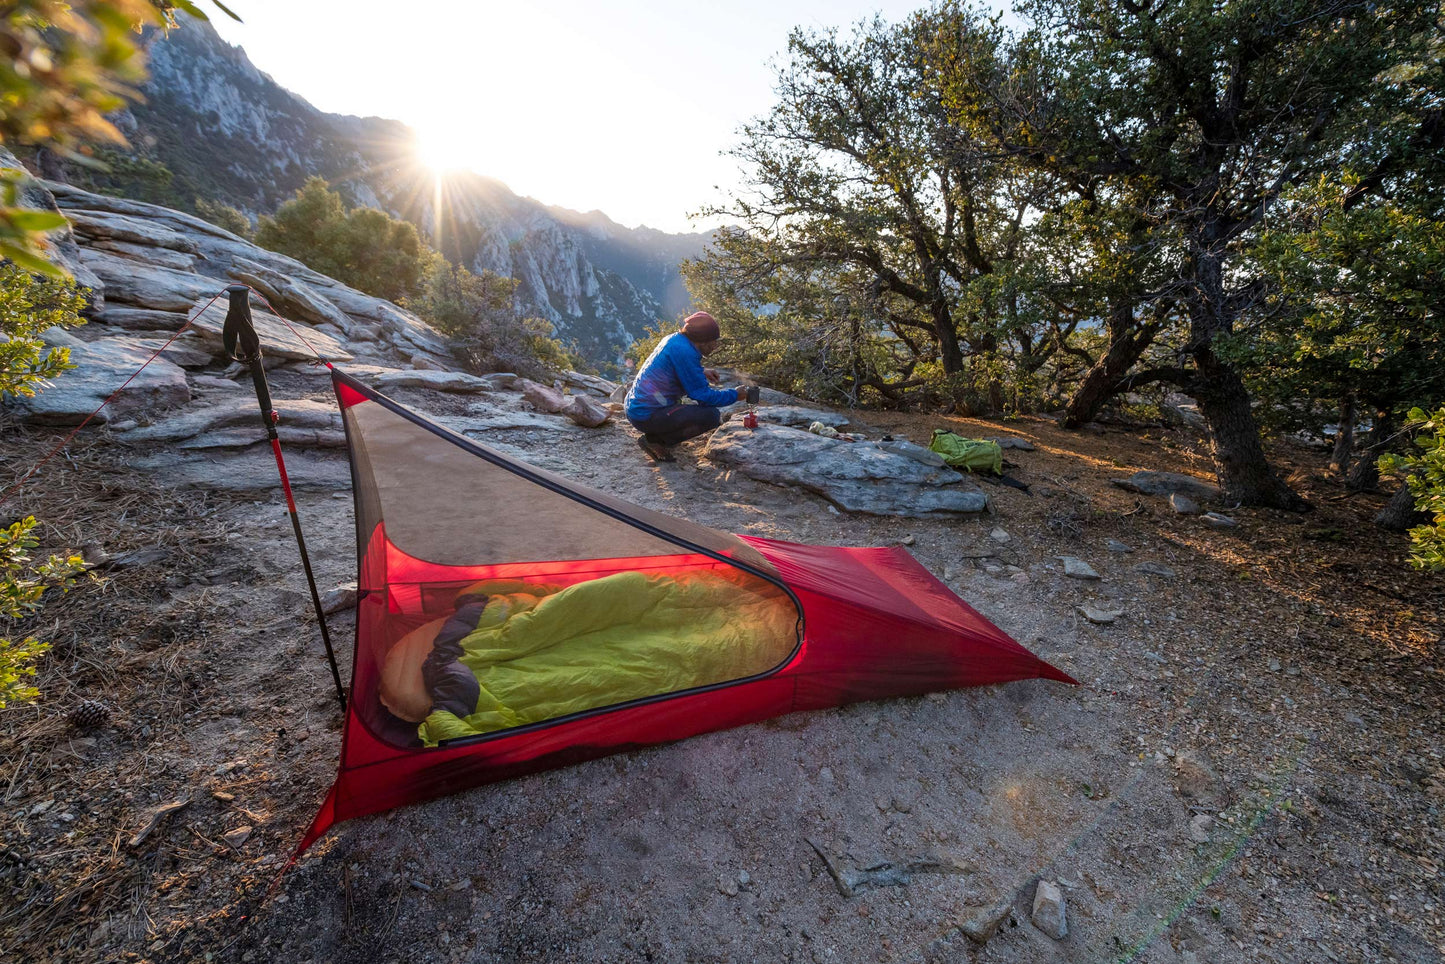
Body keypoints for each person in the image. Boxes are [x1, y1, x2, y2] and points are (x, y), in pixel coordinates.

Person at [625, 311, 747, 462]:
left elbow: (671, 367)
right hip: (647, 415)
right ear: (703, 340)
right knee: (711, 416)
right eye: (714, 341)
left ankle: (659, 433)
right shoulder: (685, 352)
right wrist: (735, 395)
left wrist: (701, 371)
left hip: (636, 407)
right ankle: (655, 440)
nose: (715, 346)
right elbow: (702, 397)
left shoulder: (675, 339)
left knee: (694, 411)